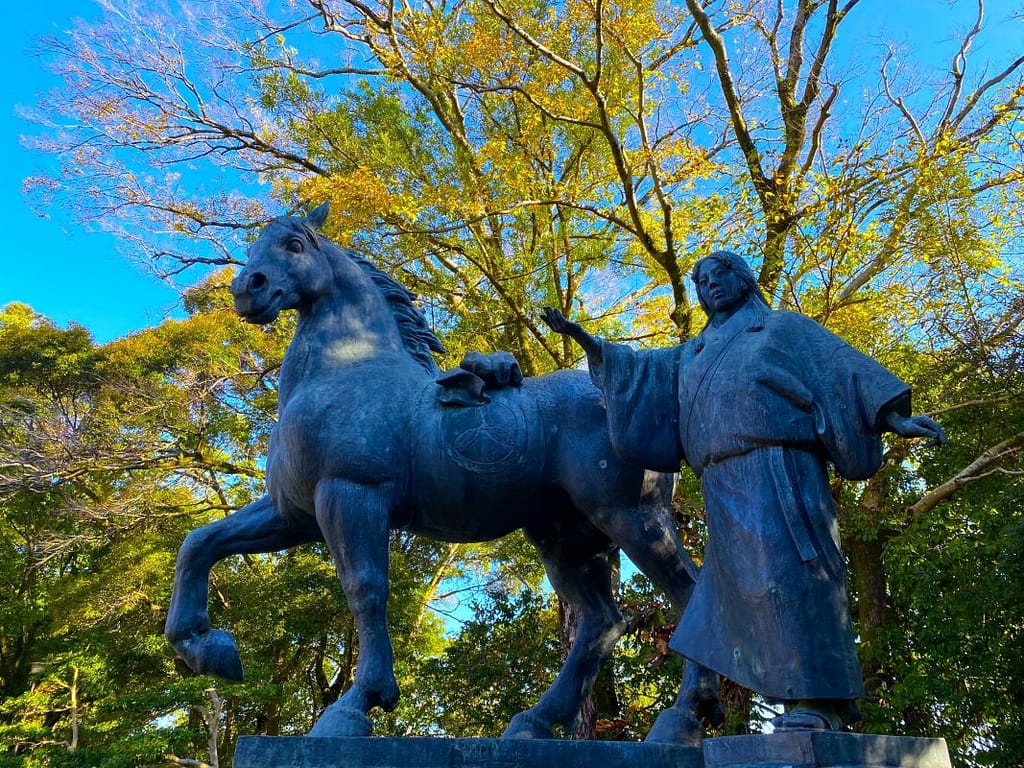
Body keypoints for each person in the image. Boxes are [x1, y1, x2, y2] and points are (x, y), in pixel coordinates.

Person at [541, 251, 945, 733]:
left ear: (743, 279)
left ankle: (819, 703)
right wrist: (585, 340)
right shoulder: (692, 354)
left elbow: (842, 372)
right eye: (701, 281)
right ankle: (786, 699)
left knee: (795, 576)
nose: (709, 285)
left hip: (779, 469)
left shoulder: (780, 329)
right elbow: (640, 370)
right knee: (745, 590)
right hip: (722, 483)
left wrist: (891, 416)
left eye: (718, 276)